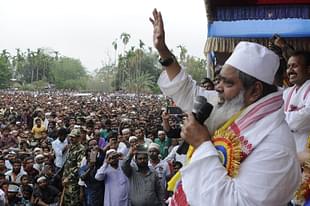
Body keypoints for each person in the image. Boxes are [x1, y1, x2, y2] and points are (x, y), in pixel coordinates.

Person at [150, 9, 301, 205]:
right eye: (219, 80)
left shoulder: (276, 147)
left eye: (228, 83)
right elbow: (190, 92)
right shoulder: (233, 106)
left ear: (254, 91)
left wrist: (202, 145)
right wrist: (163, 50)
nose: (218, 88)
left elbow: (237, 201)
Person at [283, 51, 310, 153]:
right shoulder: (287, 92)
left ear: (308, 69)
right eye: (288, 66)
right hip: (289, 148)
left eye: (294, 66)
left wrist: (281, 118)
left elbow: (306, 115)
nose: (290, 70)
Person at [62, 129, 84, 206]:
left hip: (74, 181)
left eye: (73, 137)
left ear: (78, 138)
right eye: (70, 137)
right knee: (66, 201)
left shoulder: (81, 149)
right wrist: (64, 176)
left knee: (74, 202)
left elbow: (79, 167)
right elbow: (67, 164)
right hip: (66, 180)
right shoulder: (70, 147)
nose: (71, 138)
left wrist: (69, 177)